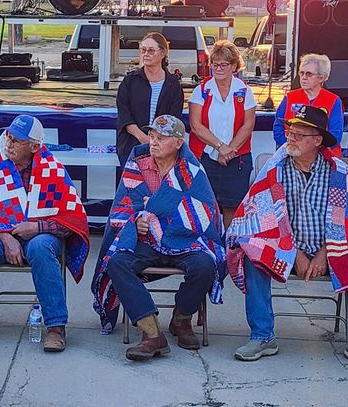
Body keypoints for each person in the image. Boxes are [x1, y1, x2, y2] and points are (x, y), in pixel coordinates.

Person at [227, 105, 348, 369]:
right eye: (290, 132)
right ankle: (262, 336)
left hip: (334, 246)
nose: (291, 138)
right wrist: (296, 254)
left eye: (299, 135)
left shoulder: (339, 172)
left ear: (317, 141)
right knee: (252, 250)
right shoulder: (274, 170)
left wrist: (325, 253)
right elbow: (263, 217)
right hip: (285, 245)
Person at [92, 114, 225, 361]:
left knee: (206, 264)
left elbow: (204, 213)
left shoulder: (191, 169)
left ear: (178, 143)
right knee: (117, 263)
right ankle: (152, 332)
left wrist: (156, 208)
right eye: (152, 136)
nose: (153, 142)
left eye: (161, 138)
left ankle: (181, 319)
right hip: (146, 242)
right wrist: (137, 220)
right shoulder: (138, 162)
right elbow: (123, 207)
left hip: (185, 240)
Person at [0, 115, 90, 352]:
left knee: (41, 248)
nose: (8, 142)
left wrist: (37, 227)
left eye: (17, 140)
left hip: (38, 234)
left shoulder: (52, 169)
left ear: (35, 146)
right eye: (8, 135)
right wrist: (6, 237)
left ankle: (56, 327)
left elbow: (72, 218)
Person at [188, 40, 256, 228]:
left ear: (234, 66)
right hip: (206, 158)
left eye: (223, 64)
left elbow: (248, 125)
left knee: (232, 208)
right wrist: (220, 147)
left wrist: (230, 150)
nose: (218, 68)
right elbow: (196, 125)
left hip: (237, 159)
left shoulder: (244, 90)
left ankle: (230, 251)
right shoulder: (201, 90)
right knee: (205, 206)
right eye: (214, 64)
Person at [116, 32, 184, 167]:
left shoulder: (173, 85)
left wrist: (156, 141)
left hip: (163, 150)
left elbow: (173, 119)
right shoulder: (130, 81)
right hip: (132, 147)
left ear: (163, 53)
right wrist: (144, 139)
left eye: (151, 50)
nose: (146, 54)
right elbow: (124, 115)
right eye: (143, 50)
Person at [273, 53, 343, 156]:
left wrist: (312, 153)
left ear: (321, 78)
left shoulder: (333, 100)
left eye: (309, 74)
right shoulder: (290, 97)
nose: (304, 77)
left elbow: (335, 135)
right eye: (301, 73)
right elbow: (278, 127)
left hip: (324, 157)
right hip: (290, 153)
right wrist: (292, 148)